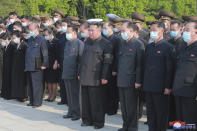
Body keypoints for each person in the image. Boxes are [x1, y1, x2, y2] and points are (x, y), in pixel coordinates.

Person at [143, 21, 176, 131]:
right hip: (148, 85)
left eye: (154, 30)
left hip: (161, 87)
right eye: (150, 30)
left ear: (162, 31)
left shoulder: (168, 47)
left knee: (161, 113)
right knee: (151, 113)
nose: (152, 32)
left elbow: (170, 69)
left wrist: (168, 86)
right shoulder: (149, 46)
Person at [80, 21, 113, 129]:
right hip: (85, 75)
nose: (90, 32)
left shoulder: (106, 43)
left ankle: (98, 122)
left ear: (99, 31)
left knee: (97, 102)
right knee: (85, 101)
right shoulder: (87, 41)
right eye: (89, 30)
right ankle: (86, 120)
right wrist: (79, 72)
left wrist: (104, 77)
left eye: (92, 30)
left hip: (96, 78)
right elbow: (82, 59)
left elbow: (107, 62)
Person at [117, 22, 145, 131]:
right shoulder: (122, 43)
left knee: (131, 106)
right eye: (121, 31)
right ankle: (125, 126)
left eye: (124, 31)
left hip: (132, 80)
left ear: (132, 31)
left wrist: (138, 81)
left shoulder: (138, 44)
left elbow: (140, 65)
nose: (122, 33)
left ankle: (133, 127)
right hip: (121, 79)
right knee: (124, 107)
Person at [172, 20, 197, 127]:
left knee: (189, 121)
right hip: (178, 90)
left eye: (187, 30)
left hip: (190, 91)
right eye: (184, 30)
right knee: (179, 121)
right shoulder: (182, 47)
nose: (184, 32)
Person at [62, 25, 84, 121]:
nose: (67, 34)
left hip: (74, 73)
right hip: (66, 72)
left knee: (75, 94)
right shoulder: (67, 43)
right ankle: (70, 111)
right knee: (69, 94)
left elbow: (81, 60)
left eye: (68, 32)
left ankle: (77, 113)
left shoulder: (79, 43)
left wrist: (79, 73)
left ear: (74, 33)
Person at [25, 23, 48, 108]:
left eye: (31, 30)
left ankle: (37, 102)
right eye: (29, 30)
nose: (30, 32)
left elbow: (45, 53)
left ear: (36, 29)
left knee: (37, 85)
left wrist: (44, 64)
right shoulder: (30, 39)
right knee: (30, 84)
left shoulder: (41, 39)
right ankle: (32, 101)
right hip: (29, 65)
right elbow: (27, 53)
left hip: (37, 65)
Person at [102, 22, 120, 116]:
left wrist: (115, 69)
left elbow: (117, 55)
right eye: (103, 28)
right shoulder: (103, 38)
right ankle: (106, 107)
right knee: (105, 90)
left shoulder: (116, 39)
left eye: (105, 28)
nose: (103, 29)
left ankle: (113, 108)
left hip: (112, 67)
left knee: (113, 90)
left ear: (111, 28)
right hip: (104, 67)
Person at [43, 28, 60, 102]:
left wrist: (56, 62)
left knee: (54, 81)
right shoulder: (46, 41)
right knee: (48, 80)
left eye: (46, 35)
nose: (45, 36)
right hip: (47, 63)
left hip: (54, 63)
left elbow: (58, 53)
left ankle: (53, 96)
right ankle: (49, 95)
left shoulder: (56, 41)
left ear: (51, 34)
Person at [10, 31, 27, 102]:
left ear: (19, 37)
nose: (14, 39)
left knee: (22, 81)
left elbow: (26, 56)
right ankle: (18, 95)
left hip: (22, 66)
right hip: (16, 66)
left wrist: (26, 66)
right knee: (17, 81)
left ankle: (23, 96)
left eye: (15, 38)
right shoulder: (16, 45)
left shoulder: (24, 45)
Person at [0, 32, 15, 100]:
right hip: (6, 66)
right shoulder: (6, 46)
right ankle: (4, 93)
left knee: (9, 80)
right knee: (5, 79)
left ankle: (9, 95)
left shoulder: (12, 45)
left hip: (10, 66)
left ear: (6, 38)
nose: (1, 42)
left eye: (1, 40)